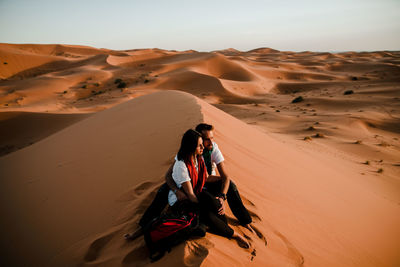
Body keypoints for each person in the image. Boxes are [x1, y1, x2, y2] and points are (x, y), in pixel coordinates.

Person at [125, 123, 254, 240]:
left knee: (229, 185)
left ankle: (244, 220)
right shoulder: (184, 158)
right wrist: (177, 191)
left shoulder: (211, 149)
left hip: (203, 182)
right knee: (164, 191)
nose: (210, 143)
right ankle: (144, 226)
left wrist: (221, 197)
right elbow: (169, 176)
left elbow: (221, 177)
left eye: (212, 139)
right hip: (186, 187)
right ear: (198, 140)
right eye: (206, 140)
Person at [167, 129, 249, 247]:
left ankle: (221, 225)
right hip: (181, 201)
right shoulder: (181, 165)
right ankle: (234, 234)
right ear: (191, 147)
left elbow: (205, 178)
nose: (202, 147)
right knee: (207, 212)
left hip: (196, 193)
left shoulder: (197, 159)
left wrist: (222, 181)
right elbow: (190, 195)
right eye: (199, 145)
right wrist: (207, 207)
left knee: (214, 202)